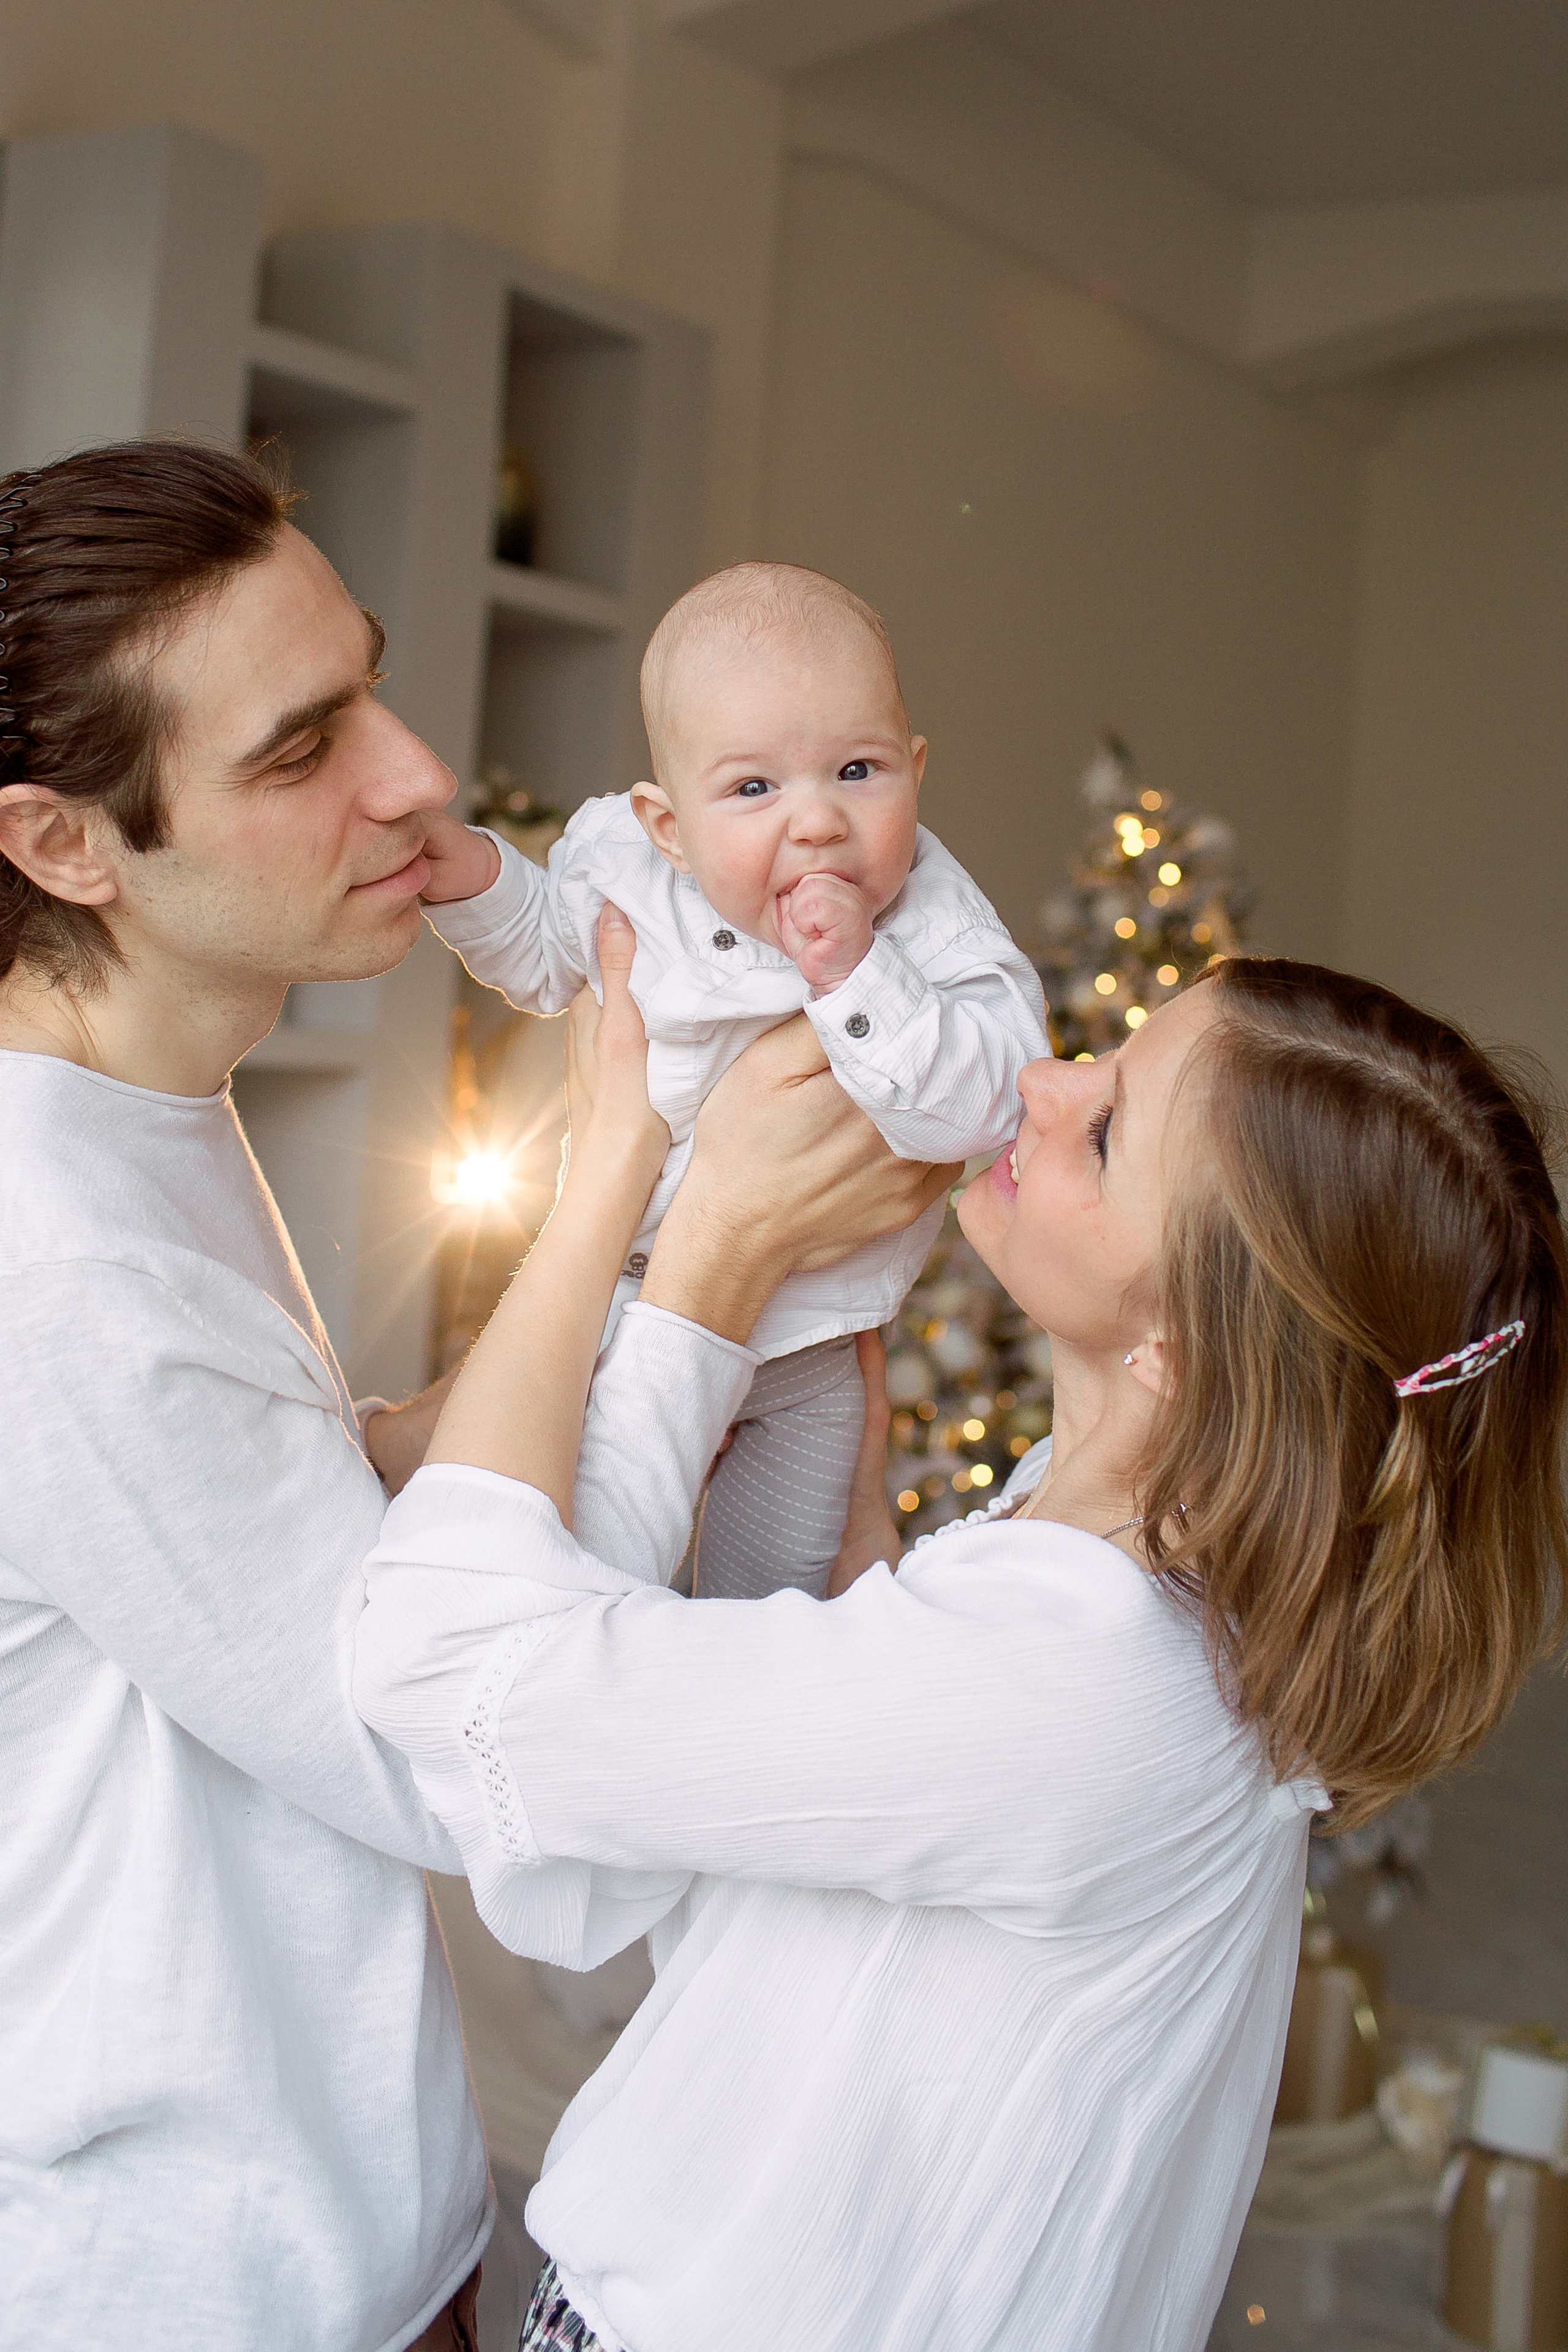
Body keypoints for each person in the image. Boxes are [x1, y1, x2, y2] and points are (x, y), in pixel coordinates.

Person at [0, 437, 951, 2351]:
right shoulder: (57, 1269)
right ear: (65, 845)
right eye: (299, 749)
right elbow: (488, 1756)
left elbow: (230, 1507)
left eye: (366, 681)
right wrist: (677, 1231)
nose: (415, 774)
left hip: (361, 2220)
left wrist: (433, 1426)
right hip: (200, 2287)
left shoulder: (138, 1119)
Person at [355, 916, 1567, 2352]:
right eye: (1103, 1056)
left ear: (1172, 1351)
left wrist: (625, 1198)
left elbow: (441, 1670)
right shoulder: (1129, 1598)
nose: (1045, 1080)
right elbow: (666, 1886)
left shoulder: (1076, 1663)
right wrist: (851, 1566)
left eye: (1105, 1134)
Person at [417, 562, 1047, 1598]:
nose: (815, 822)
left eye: (858, 771)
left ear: (916, 770)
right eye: (754, 789)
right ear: (668, 826)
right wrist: (471, 878)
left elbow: (990, 1099)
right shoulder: (621, 864)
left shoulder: (936, 926)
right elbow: (544, 955)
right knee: (556, 1569)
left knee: (767, 1603)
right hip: (608, 1314)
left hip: (807, 1351)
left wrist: (860, 976)